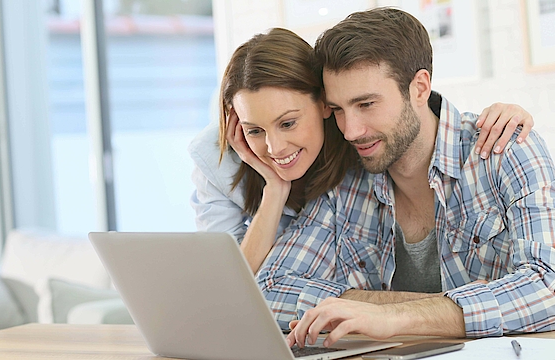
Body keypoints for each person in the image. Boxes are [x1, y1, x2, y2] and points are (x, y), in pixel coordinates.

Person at [242, 8, 555, 347]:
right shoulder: (347, 181)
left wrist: (395, 318)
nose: (350, 130)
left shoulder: (503, 150)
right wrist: (373, 310)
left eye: (366, 104)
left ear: (419, 88)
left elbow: (548, 283)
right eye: (339, 110)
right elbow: (268, 288)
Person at [189, 27, 535, 275]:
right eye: (254, 130)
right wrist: (273, 191)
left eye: (289, 123)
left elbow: (410, 111)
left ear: (321, 105)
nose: (274, 147)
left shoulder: (357, 143)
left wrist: (508, 115)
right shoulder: (219, 160)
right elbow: (233, 289)